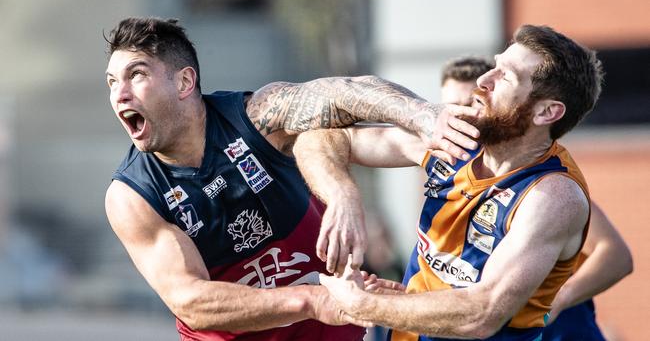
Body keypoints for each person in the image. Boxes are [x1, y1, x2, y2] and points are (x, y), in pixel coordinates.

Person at [102, 17, 480, 340]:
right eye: (111, 82)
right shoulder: (133, 196)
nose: (119, 93)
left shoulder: (258, 117)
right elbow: (192, 301)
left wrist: (422, 116)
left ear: (185, 82)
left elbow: (343, 93)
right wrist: (313, 300)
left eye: (136, 75)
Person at [294, 24, 604, 340]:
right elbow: (317, 137)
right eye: (495, 66)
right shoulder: (459, 137)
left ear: (547, 112)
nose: (483, 81)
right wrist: (342, 196)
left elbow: (481, 314)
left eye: (505, 77)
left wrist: (361, 303)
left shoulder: (552, 195)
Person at [441, 56, 634, 340]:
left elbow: (617, 256)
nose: (463, 113)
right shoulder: (449, 174)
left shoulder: (544, 188)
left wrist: (560, 299)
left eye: (471, 103)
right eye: (451, 105)